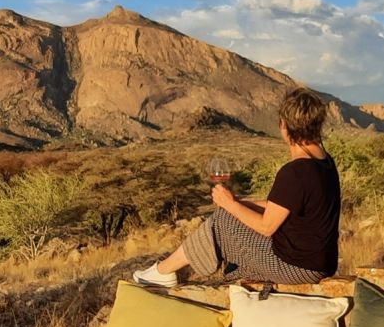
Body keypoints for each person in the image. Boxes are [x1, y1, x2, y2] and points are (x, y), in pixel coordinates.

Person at [135, 88, 341, 287]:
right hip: (320, 263)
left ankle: (163, 272)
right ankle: (170, 271)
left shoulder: (295, 172)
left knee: (222, 222)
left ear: (284, 125)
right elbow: (278, 207)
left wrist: (231, 206)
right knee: (229, 215)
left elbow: (266, 227)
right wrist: (239, 204)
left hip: (297, 267)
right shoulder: (325, 163)